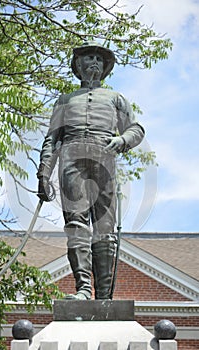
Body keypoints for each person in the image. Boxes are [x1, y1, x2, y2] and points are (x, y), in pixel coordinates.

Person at [37, 41, 145, 300]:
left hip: (104, 158)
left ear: (105, 67)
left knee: (104, 229)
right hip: (71, 159)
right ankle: (84, 289)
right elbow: (52, 139)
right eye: (89, 57)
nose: (94, 61)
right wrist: (44, 173)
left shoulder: (115, 99)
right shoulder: (64, 101)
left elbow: (136, 129)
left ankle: (104, 296)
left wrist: (122, 140)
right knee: (76, 225)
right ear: (78, 64)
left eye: (99, 58)